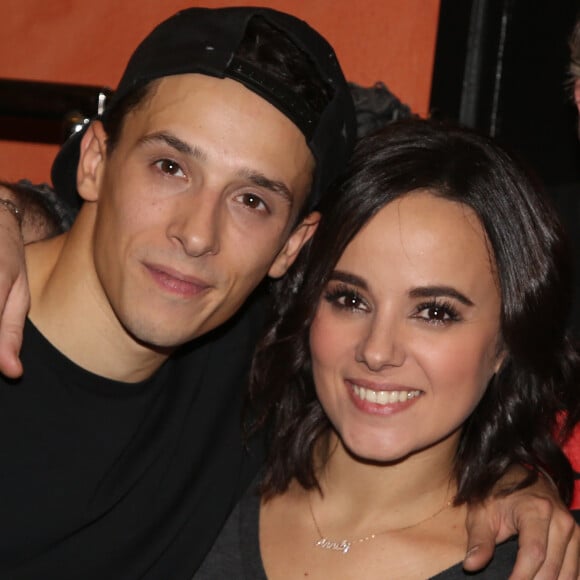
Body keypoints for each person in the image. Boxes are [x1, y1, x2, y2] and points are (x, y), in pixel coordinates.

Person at [0, 6, 576, 579]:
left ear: (290, 246)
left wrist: (520, 477)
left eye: (253, 200)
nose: (198, 234)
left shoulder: (247, 375)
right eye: (170, 166)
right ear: (95, 160)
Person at [195, 119, 580, 579]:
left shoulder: (540, 564)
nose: (377, 352)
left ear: (505, 343)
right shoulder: (199, 482)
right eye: (350, 299)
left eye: (435, 313)